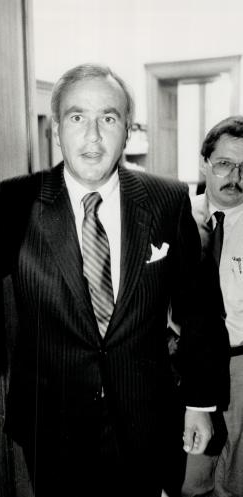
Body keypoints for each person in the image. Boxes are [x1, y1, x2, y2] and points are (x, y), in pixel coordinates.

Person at [0, 64, 228, 497]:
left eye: (109, 118)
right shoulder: (15, 200)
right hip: (51, 424)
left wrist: (200, 402)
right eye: (77, 117)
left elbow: (200, 308)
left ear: (126, 129)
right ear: (56, 130)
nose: (94, 136)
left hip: (147, 417)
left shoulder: (167, 198)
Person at [182, 116, 243, 497]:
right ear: (204, 162)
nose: (235, 176)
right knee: (190, 482)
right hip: (187, 368)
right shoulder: (174, 216)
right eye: (224, 164)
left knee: (235, 483)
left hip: (242, 367)